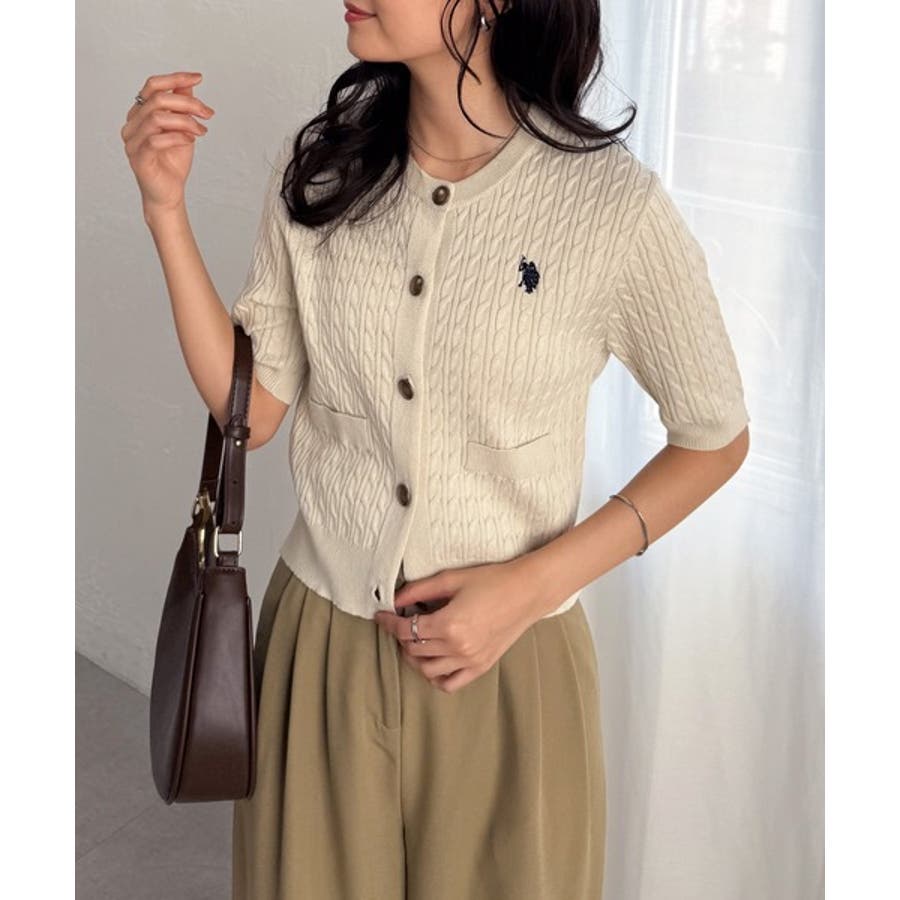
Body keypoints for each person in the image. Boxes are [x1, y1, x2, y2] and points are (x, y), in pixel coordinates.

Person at [121, 2, 751, 897]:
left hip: (511, 671)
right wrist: (165, 212)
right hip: (323, 652)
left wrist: (529, 588)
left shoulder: (609, 208)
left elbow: (715, 436)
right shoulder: (326, 170)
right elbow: (252, 414)